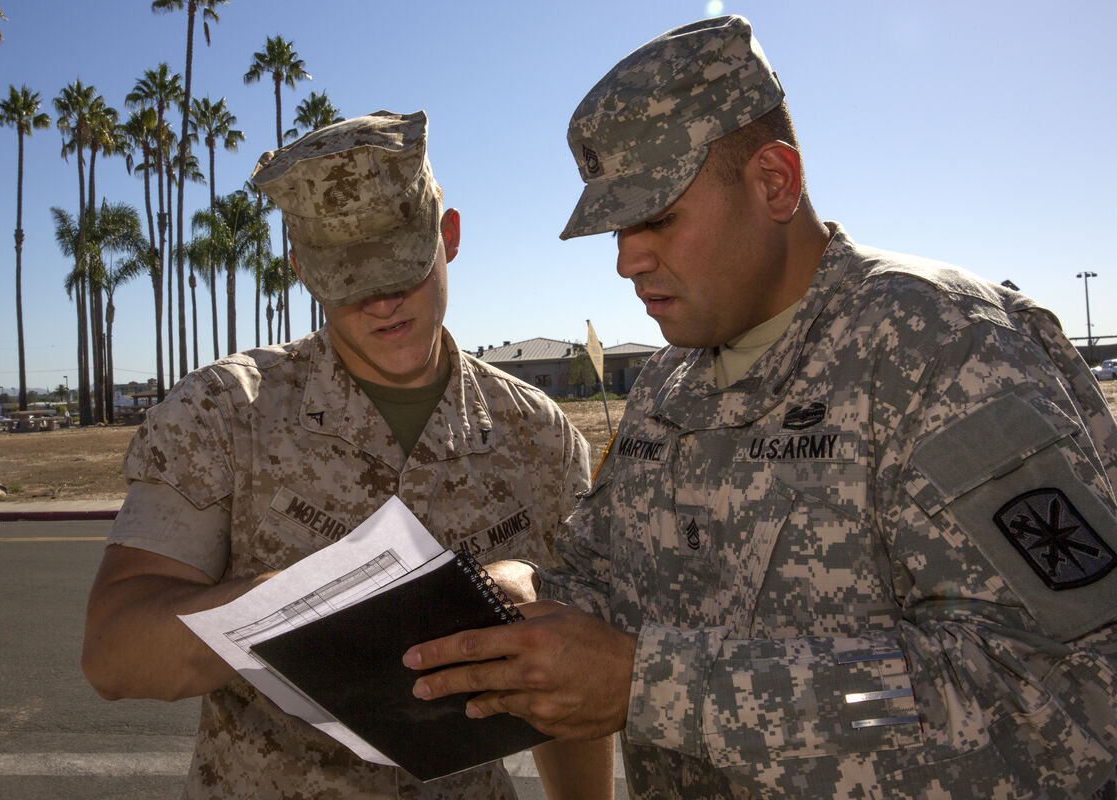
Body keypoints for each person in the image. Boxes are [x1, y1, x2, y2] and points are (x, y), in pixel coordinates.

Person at [402, 17, 1117, 799]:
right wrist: (525, 597)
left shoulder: (943, 348)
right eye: (618, 228)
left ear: (775, 181)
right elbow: (605, 581)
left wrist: (657, 688)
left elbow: (1058, 695)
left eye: (658, 218)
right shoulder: (667, 386)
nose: (625, 259)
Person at [81, 110, 614, 800]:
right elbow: (115, 656)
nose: (383, 300)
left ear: (448, 238)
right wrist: (296, 602)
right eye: (348, 277)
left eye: (401, 264)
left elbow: (568, 701)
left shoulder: (538, 437)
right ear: (302, 270)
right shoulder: (222, 414)